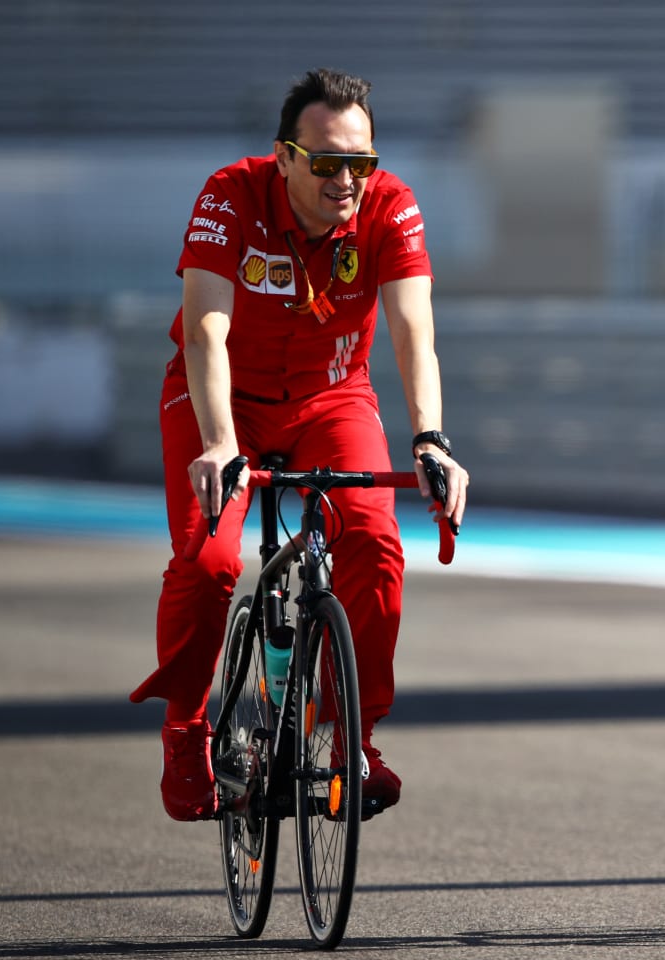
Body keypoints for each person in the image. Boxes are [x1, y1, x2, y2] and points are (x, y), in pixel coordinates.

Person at [130, 68, 468, 822]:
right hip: (220, 401)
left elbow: (415, 334)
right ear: (284, 157)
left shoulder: (392, 207)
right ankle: (186, 727)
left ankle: (353, 737)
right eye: (325, 163)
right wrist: (220, 443)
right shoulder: (229, 195)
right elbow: (207, 329)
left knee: (377, 545)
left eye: (361, 163)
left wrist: (431, 440)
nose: (345, 180)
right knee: (212, 561)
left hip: (330, 397)